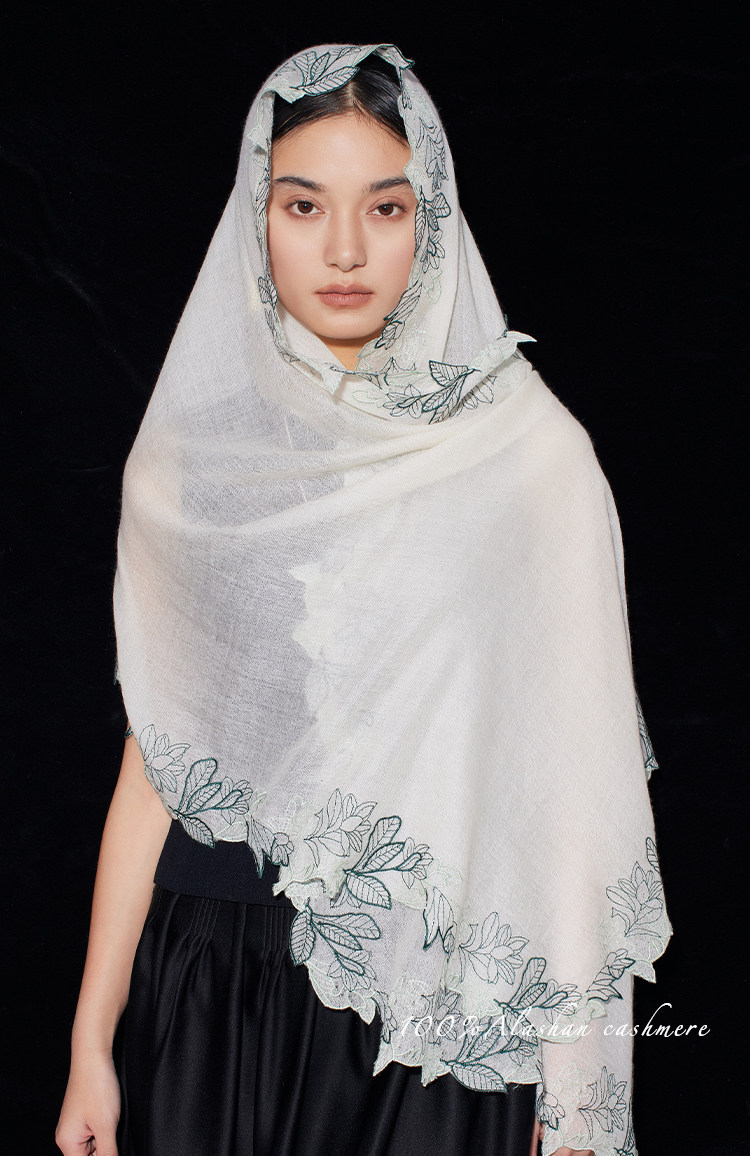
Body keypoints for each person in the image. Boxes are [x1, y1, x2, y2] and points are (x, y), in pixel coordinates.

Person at [56, 44, 671, 1156]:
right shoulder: (196, 469)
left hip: (437, 1015)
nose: (344, 249)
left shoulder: (528, 461)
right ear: (256, 219)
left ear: (431, 219)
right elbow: (163, 760)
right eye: (304, 205)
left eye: (385, 207)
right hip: (210, 989)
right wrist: (91, 1040)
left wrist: (577, 1093)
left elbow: (570, 796)